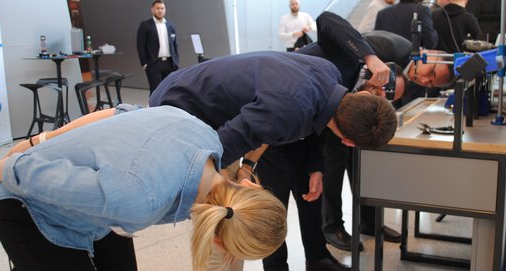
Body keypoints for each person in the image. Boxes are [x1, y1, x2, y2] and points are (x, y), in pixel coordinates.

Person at [150, 51, 398, 270]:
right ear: (350, 143)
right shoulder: (292, 110)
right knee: (227, 223)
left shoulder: (329, 74)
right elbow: (212, 153)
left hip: (197, 95)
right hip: (180, 109)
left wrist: (246, 169)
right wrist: (225, 189)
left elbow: (266, 128)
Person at [0, 105, 288, 271]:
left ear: (248, 185)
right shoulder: (140, 199)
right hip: (28, 208)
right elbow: (45, 179)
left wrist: (39, 140)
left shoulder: (205, 135)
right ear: (221, 246)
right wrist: (2, 167)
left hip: (97, 207)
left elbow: (115, 112)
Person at [296, 12, 410, 253]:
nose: (382, 99)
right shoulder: (354, 56)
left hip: (351, 115)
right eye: (384, 93)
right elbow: (326, 18)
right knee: (332, 168)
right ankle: (332, 227)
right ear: (383, 73)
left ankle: (369, 222)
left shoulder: (369, 99)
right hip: (313, 109)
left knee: (365, 166)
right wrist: (370, 56)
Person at [136, 0, 179, 96]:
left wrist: (176, 61)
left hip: (169, 64)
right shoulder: (145, 25)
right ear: (152, 10)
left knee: (169, 90)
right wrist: (144, 63)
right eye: (158, 8)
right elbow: (140, 45)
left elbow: (175, 45)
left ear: (165, 10)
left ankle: (167, 110)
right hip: (154, 64)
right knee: (156, 91)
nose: (160, 11)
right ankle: (154, 110)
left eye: (162, 8)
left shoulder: (170, 26)